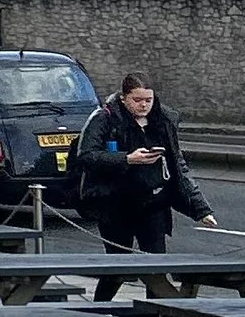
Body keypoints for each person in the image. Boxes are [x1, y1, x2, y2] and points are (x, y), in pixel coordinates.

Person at [74, 68, 217, 298]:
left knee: (155, 266)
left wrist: (200, 208)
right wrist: (127, 159)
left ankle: (155, 314)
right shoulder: (105, 118)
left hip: (154, 202)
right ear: (124, 98)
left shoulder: (163, 120)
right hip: (115, 204)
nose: (143, 105)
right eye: (137, 100)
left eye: (148, 100)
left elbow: (178, 166)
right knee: (117, 268)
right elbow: (86, 156)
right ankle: (99, 309)